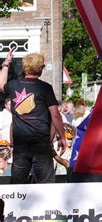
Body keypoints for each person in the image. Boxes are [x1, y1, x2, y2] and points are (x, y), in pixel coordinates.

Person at [0, 49, 67, 183]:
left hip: (20, 144)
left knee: (18, 186)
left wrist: (6, 63)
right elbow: (55, 115)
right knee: (46, 185)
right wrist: (62, 137)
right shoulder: (45, 88)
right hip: (41, 143)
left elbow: (1, 85)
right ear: (40, 69)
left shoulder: (14, 85)